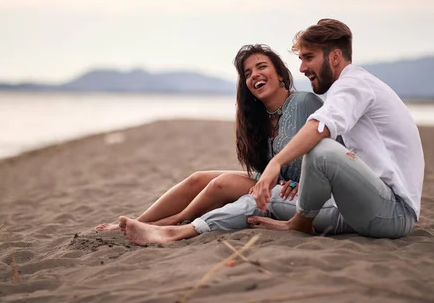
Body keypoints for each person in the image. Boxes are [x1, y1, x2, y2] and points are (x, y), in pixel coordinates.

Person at [118, 45, 329, 245]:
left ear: (281, 74)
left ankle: (172, 221)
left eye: (261, 66)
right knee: (197, 178)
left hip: (295, 190)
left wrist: (308, 182)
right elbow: (263, 167)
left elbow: (334, 149)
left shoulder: (306, 102)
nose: (254, 74)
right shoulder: (258, 117)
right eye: (247, 73)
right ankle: (141, 219)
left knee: (222, 183)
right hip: (273, 180)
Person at [246, 19, 424, 238]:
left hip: (393, 212)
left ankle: (300, 223)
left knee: (321, 149)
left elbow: (320, 126)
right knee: (251, 195)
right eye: (301, 59)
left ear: (335, 57)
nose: (302, 68)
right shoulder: (353, 85)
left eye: (309, 58)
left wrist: (277, 162)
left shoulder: (353, 84)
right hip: (370, 202)